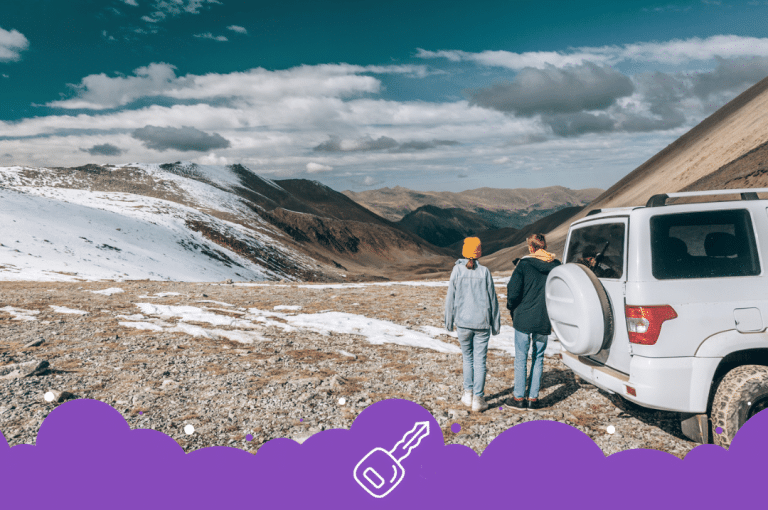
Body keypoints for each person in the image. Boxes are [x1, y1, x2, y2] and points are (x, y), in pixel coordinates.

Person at [445, 237, 500, 412]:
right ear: (478, 252)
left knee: (467, 358)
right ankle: (478, 398)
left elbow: (450, 298)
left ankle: (467, 394)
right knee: (480, 361)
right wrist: (495, 324)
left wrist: (449, 320)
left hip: (463, 323)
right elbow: (493, 300)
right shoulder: (484, 272)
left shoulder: (457, 271)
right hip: (482, 324)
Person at [505, 233, 561, 410]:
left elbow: (513, 291)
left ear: (531, 248)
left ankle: (518, 398)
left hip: (523, 318)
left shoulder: (524, 264)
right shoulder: (556, 266)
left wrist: (511, 307)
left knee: (521, 357)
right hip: (544, 317)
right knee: (539, 357)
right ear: (544, 247)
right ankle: (533, 399)